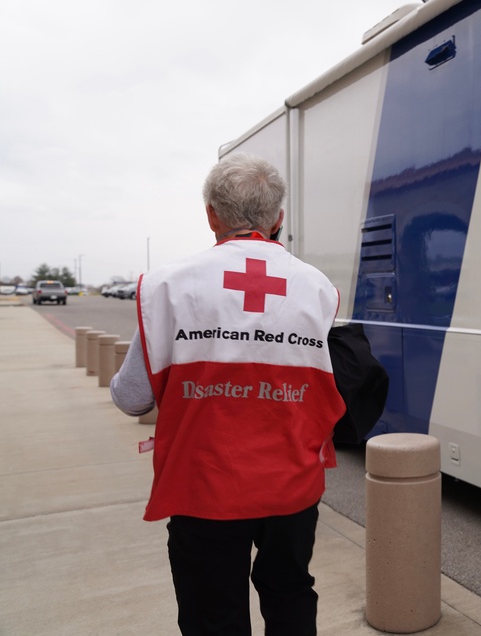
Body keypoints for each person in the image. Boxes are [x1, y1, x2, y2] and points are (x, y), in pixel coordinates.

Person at [111, 153, 346, 635]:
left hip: (204, 484)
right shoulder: (318, 287)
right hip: (293, 483)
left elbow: (132, 397)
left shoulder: (166, 285)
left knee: (213, 616)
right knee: (290, 596)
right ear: (278, 218)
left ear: (211, 214)